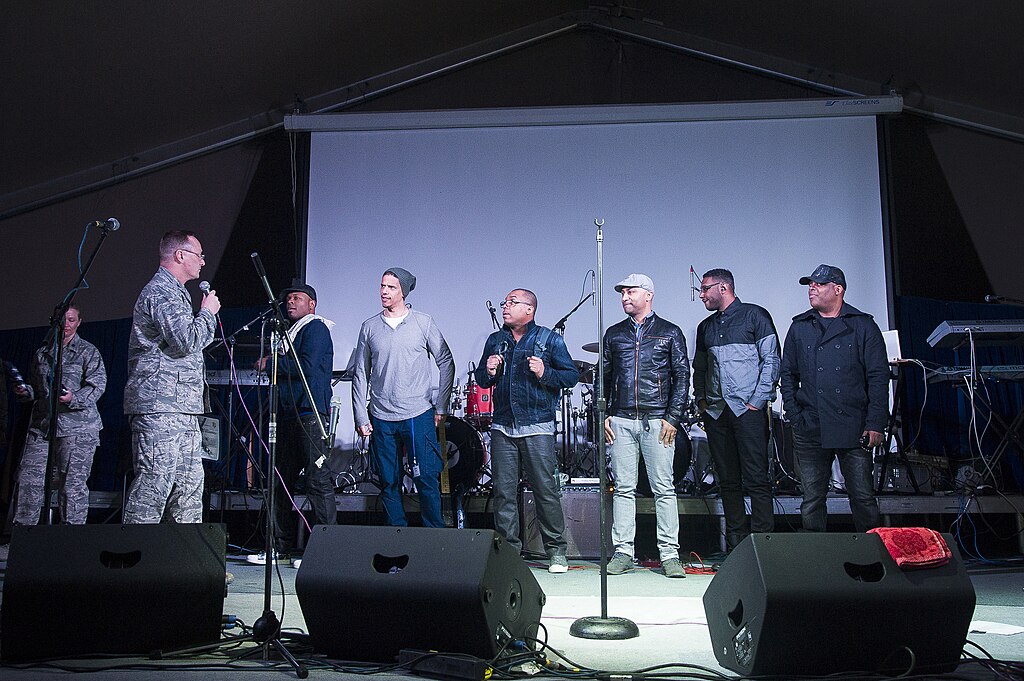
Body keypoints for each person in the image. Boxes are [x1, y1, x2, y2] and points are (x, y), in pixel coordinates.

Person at [474, 289, 579, 573]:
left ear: (529, 309)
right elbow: (482, 380)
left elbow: (571, 376)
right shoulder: (495, 340)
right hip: (503, 426)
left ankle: (556, 552)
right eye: (504, 303)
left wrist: (545, 372)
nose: (505, 307)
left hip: (537, 426)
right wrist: (489, 371)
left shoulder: (549, 339)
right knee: (504, 493)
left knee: (545, 490)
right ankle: (509, 554)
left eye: (512, 303)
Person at [780, 264, 888, 532]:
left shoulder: (862, 325)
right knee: (811, 501)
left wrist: (875, 423)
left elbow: (878, 377)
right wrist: (795, 416)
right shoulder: (800, 326)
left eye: (819, 284)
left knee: (862, 498)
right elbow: (787, 374)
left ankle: (871, 552)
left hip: (853, 425)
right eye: (810, 284)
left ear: (838, 289)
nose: (812, 288)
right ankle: (815, 554)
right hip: (810, 425)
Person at [123, 230, 220, 523]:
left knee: (189, 490)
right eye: (199, 255)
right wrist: (207, 313)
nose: (203, 262)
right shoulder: (160, 292)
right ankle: (133, 551)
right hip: (159, 407)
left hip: (183, 408)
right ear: (180, 255)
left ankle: (183, 553)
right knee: (154, 486)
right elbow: (186, 340)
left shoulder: (176, 293)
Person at [352, 267, 455, 527]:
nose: (384, 292)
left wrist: (441, 406)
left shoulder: (423, 322)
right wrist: (361, 415)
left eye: (391, 287)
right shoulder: (369, 327)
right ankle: (396, 536)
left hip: (417, 413)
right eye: (382, 286)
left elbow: (446, 361)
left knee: (426, 477)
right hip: (381, 416)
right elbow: (361, 373)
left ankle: (434, 536)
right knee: (389, 480)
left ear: (403, 292)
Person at [602, 273, 690, 578]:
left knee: (663, 488)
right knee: (623, 489)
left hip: (657, 420)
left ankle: (670, 555)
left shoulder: (670, 332)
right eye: (622, 293)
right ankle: (623, 552)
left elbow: (682, 376)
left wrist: (673, 417)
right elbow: (604, 376)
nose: (624, 297)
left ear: (648, 295)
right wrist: (604, 414)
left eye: (630, 292)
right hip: (622, 420)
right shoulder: (614, 334)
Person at [693, 269, 780, 551]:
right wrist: (702, 402)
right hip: (717, 413)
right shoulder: (705, 327)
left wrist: (757, 402)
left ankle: (763, 547)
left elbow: (771, 360)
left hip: (748, 411)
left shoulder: (755, 316)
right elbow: (700, 368)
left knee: (756, 479)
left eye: (705, 289)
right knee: (728, 482)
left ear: (723, 287)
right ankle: (736, 548)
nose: (701, 295)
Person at [252, 283, 336, 564]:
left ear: (312, 304)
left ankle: (326, 550)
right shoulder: (288, 333)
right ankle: (279, 546)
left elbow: (306, 366)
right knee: (280, 479)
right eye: (288, 298)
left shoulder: (315, 328)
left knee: (317, 479)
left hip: (309, 412)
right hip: (287, 413)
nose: (290, 302)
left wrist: (270, 363)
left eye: (297, 298)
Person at [13, 305, 107, 525]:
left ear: (79, 322)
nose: (66, 324)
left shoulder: (87, 351)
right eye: (62, 320)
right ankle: (23, 535)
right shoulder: (42, 353)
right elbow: (38, 389)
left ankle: (71, 537)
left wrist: (73, 398)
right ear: (53, 321)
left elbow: (97, 386)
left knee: (72, 485)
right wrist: (26, 392)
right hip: (43, 426)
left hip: (77, 428)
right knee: (28, 480)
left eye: (71, 320)